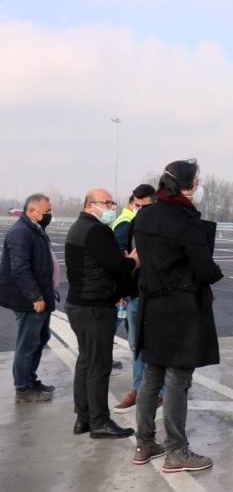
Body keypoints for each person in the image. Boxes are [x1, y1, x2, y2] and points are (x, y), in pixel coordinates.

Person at [133, 159, 223, 472]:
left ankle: (144, 443)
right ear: (187, 185)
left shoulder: (144, 216)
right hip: (181, 309)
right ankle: (176, 451)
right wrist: (215, 272)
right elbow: (204, 268)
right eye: (197, 181)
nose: (198, 186)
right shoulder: (186, 221)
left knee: (151, 377)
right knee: (177, 380)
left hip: (152, 305)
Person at [65, 188, 138, 439]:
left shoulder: (78, 227)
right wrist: (133, 260)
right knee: (98, 365)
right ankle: (99, 422)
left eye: (111, 202)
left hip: (80, 304)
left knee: (86, 361)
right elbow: (115, 265)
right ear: (90, 205)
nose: (111, 207)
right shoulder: (95, 230)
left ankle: (83, 418)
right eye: (106, 203)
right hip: (94, 306)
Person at [111, 184, 165, 413]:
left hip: (157, 296)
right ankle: (137, 390)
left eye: (146, 206)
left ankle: (160, 394)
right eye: (137, 205)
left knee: (158, 346)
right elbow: (122, 261)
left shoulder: (164, 226)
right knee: (136, 345)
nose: (141, 210)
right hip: (134, 295)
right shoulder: (131, 224)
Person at [0, 194, 58, 403]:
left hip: (41, 297)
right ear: (32, 211)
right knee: (28, 343)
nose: (49, 215)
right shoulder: (21, 232)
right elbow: (20, 268)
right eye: (47, 211)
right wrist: (35, 296)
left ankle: (30, 380)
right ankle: (23, 388)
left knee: (39, 340)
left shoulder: (36, 229)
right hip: (29, 301)